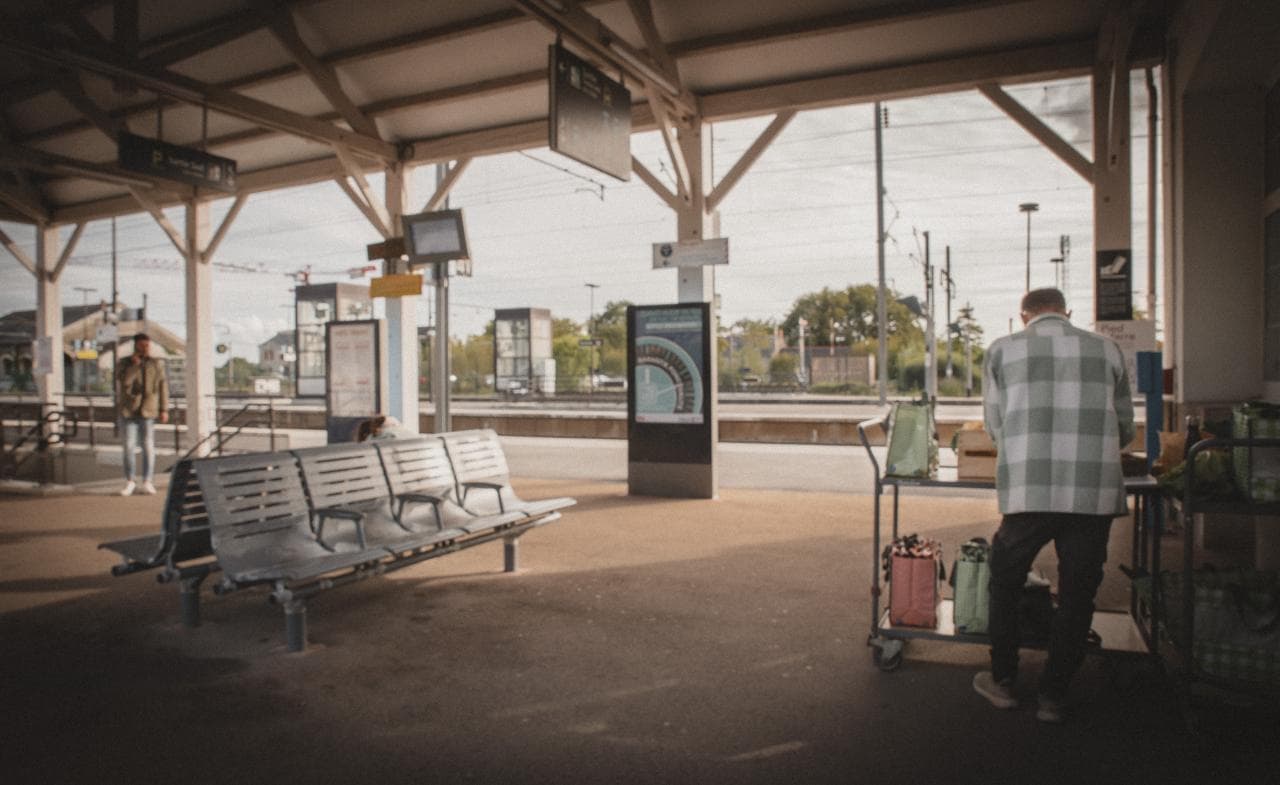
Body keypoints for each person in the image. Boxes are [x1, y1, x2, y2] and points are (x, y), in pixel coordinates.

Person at [973, 288, 1134, 723]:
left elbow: (995, 426)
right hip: (1091, 493)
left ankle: (1003, 681)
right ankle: (1053, 695)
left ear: (1023, 315)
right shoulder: (1107, 348)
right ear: (1068, 312)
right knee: (1079, 593)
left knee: (1005, 582)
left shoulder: (1001, 351)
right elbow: (1124, 429)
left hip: (1029, 492)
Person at [116, 333, 169, 496]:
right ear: (135, 345)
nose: (145, 348)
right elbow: (123, 382)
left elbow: (162, 387)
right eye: (142, 345)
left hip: (149, 409)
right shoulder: (125, 363)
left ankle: (147, 480)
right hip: (129, 410)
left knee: (148, 446)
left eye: (147, 345)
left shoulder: (156, 363)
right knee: (129, 447)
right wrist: (134, 366)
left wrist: (164, 409)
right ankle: (130, 480)